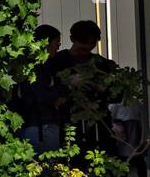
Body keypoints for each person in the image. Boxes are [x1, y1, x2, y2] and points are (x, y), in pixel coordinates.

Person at [47, 20, 120, 156]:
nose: (87, 47)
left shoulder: (102, 64)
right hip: (68, 122)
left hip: (99, 123)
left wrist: (101, 89)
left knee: (106, 159)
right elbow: (47, 90)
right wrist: (68, 85)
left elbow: (116, 96)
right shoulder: (57, 61)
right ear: (72, 39)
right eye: (83, 43)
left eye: (92, 43)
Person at [13, 24, 65, 153]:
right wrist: (59, 95)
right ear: (45, 43)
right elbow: (41, 93)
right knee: (45, 164)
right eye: (56, 43)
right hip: (40, 123)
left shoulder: (41, 64)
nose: (58, 47)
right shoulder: (37, 66)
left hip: (38, 122)